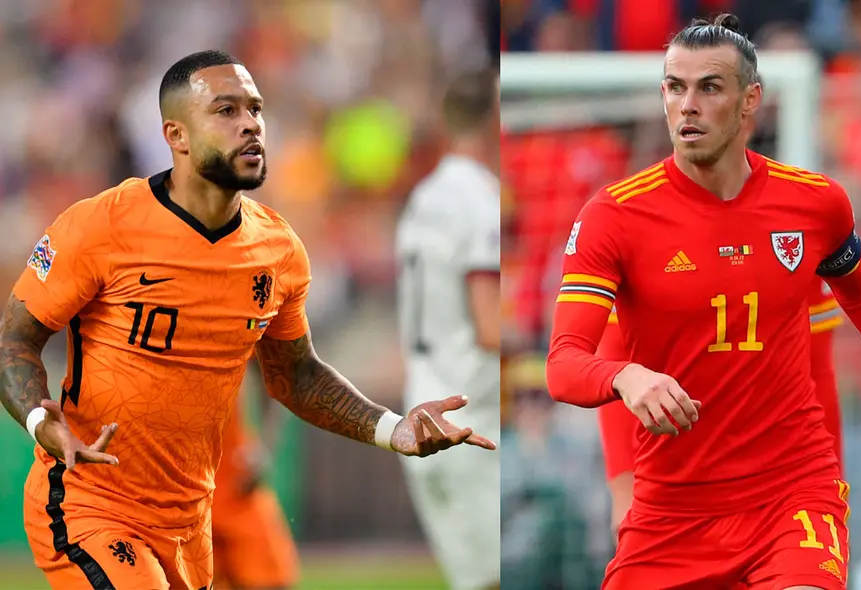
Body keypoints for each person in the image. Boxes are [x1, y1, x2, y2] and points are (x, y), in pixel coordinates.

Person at [0, 50, 495, 590]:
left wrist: (390, 428)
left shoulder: (277, 249)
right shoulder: (100, 225)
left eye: (255, 109)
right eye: (226, 111)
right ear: (177, 135)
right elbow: (14, 341)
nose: (251, 125)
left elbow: (296, 375)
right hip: (91, 501)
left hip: (190, 523)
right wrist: (39, 423)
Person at [545, 15, 861, 590]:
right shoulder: (614, 217)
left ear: (751, 101)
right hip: (673, 513)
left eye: (709, 87)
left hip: (791, 497)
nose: (687, 105)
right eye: (675, 87)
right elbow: (564, 364)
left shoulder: (814, 205)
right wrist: (625, 378)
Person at [598, 279, 844, 540]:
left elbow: (817, 370)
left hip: (781, 484)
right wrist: (624, 490)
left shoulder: (802, 240)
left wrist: (833, 489)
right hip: (671, 487)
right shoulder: (640, 241)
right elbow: (616, 364)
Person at [396, 68, 501, 590]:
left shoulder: (422, 200)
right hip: (471, 422)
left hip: (418, 418)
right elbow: (488, 326)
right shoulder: (481, 201)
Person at [212, 357, 298, 590]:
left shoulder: (236, 322)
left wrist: (265, 448)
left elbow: (280, 378)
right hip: (171, 490)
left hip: (234, 481)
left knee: (272, 580)